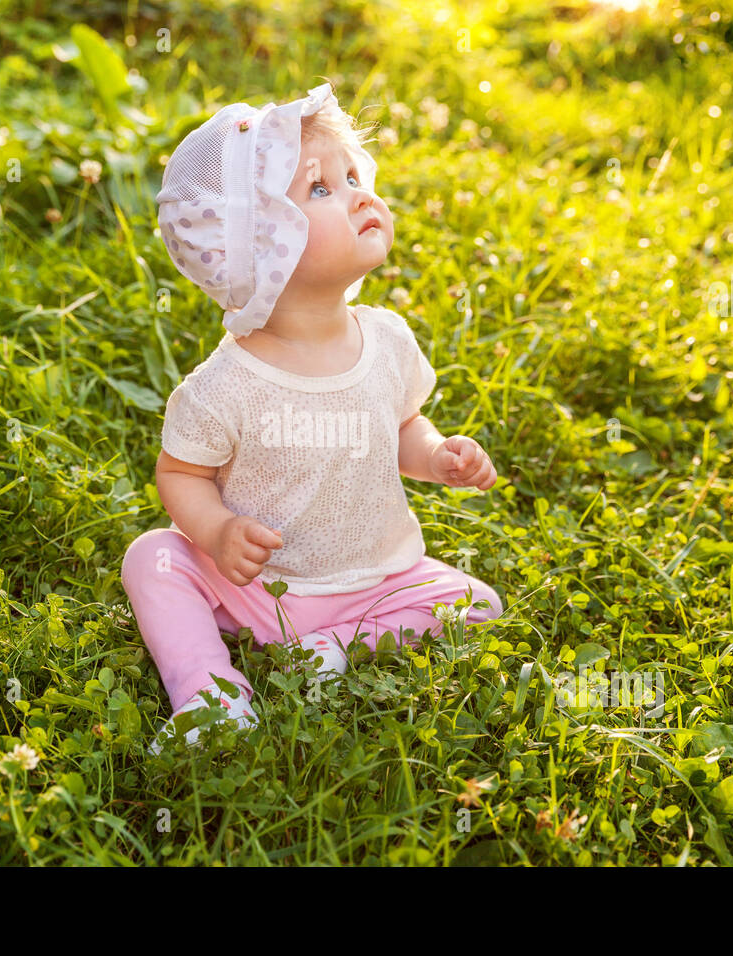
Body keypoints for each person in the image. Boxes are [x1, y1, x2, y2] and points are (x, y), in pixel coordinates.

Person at [124, 82, 502, 756]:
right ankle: (209, 695)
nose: (360, 194)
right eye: (321, 188)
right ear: (258, 247)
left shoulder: (386, 340)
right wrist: (216, 531)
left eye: (354, 174)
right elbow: (181, 472)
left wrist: (438, 452)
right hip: (257, 589)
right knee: (152, 558)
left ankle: (330, 647)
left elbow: (404, 427)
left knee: (474, 602)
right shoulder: (226, 384)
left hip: (373, 580)